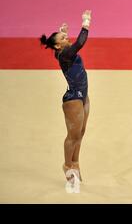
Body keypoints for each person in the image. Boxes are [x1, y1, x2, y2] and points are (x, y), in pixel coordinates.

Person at [39, 10, 92, 182]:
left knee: (81, 132)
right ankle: (67, 165)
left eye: (65, 37)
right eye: (63, 39)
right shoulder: (65, 54)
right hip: (73, 98)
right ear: (58, 47)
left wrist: (61, 32)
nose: (66, 39)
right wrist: (86, 22)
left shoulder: (59, 51)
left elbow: (60, 43)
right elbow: (80, 43)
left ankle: (76, 162)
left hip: (83, 95)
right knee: (72, 136)